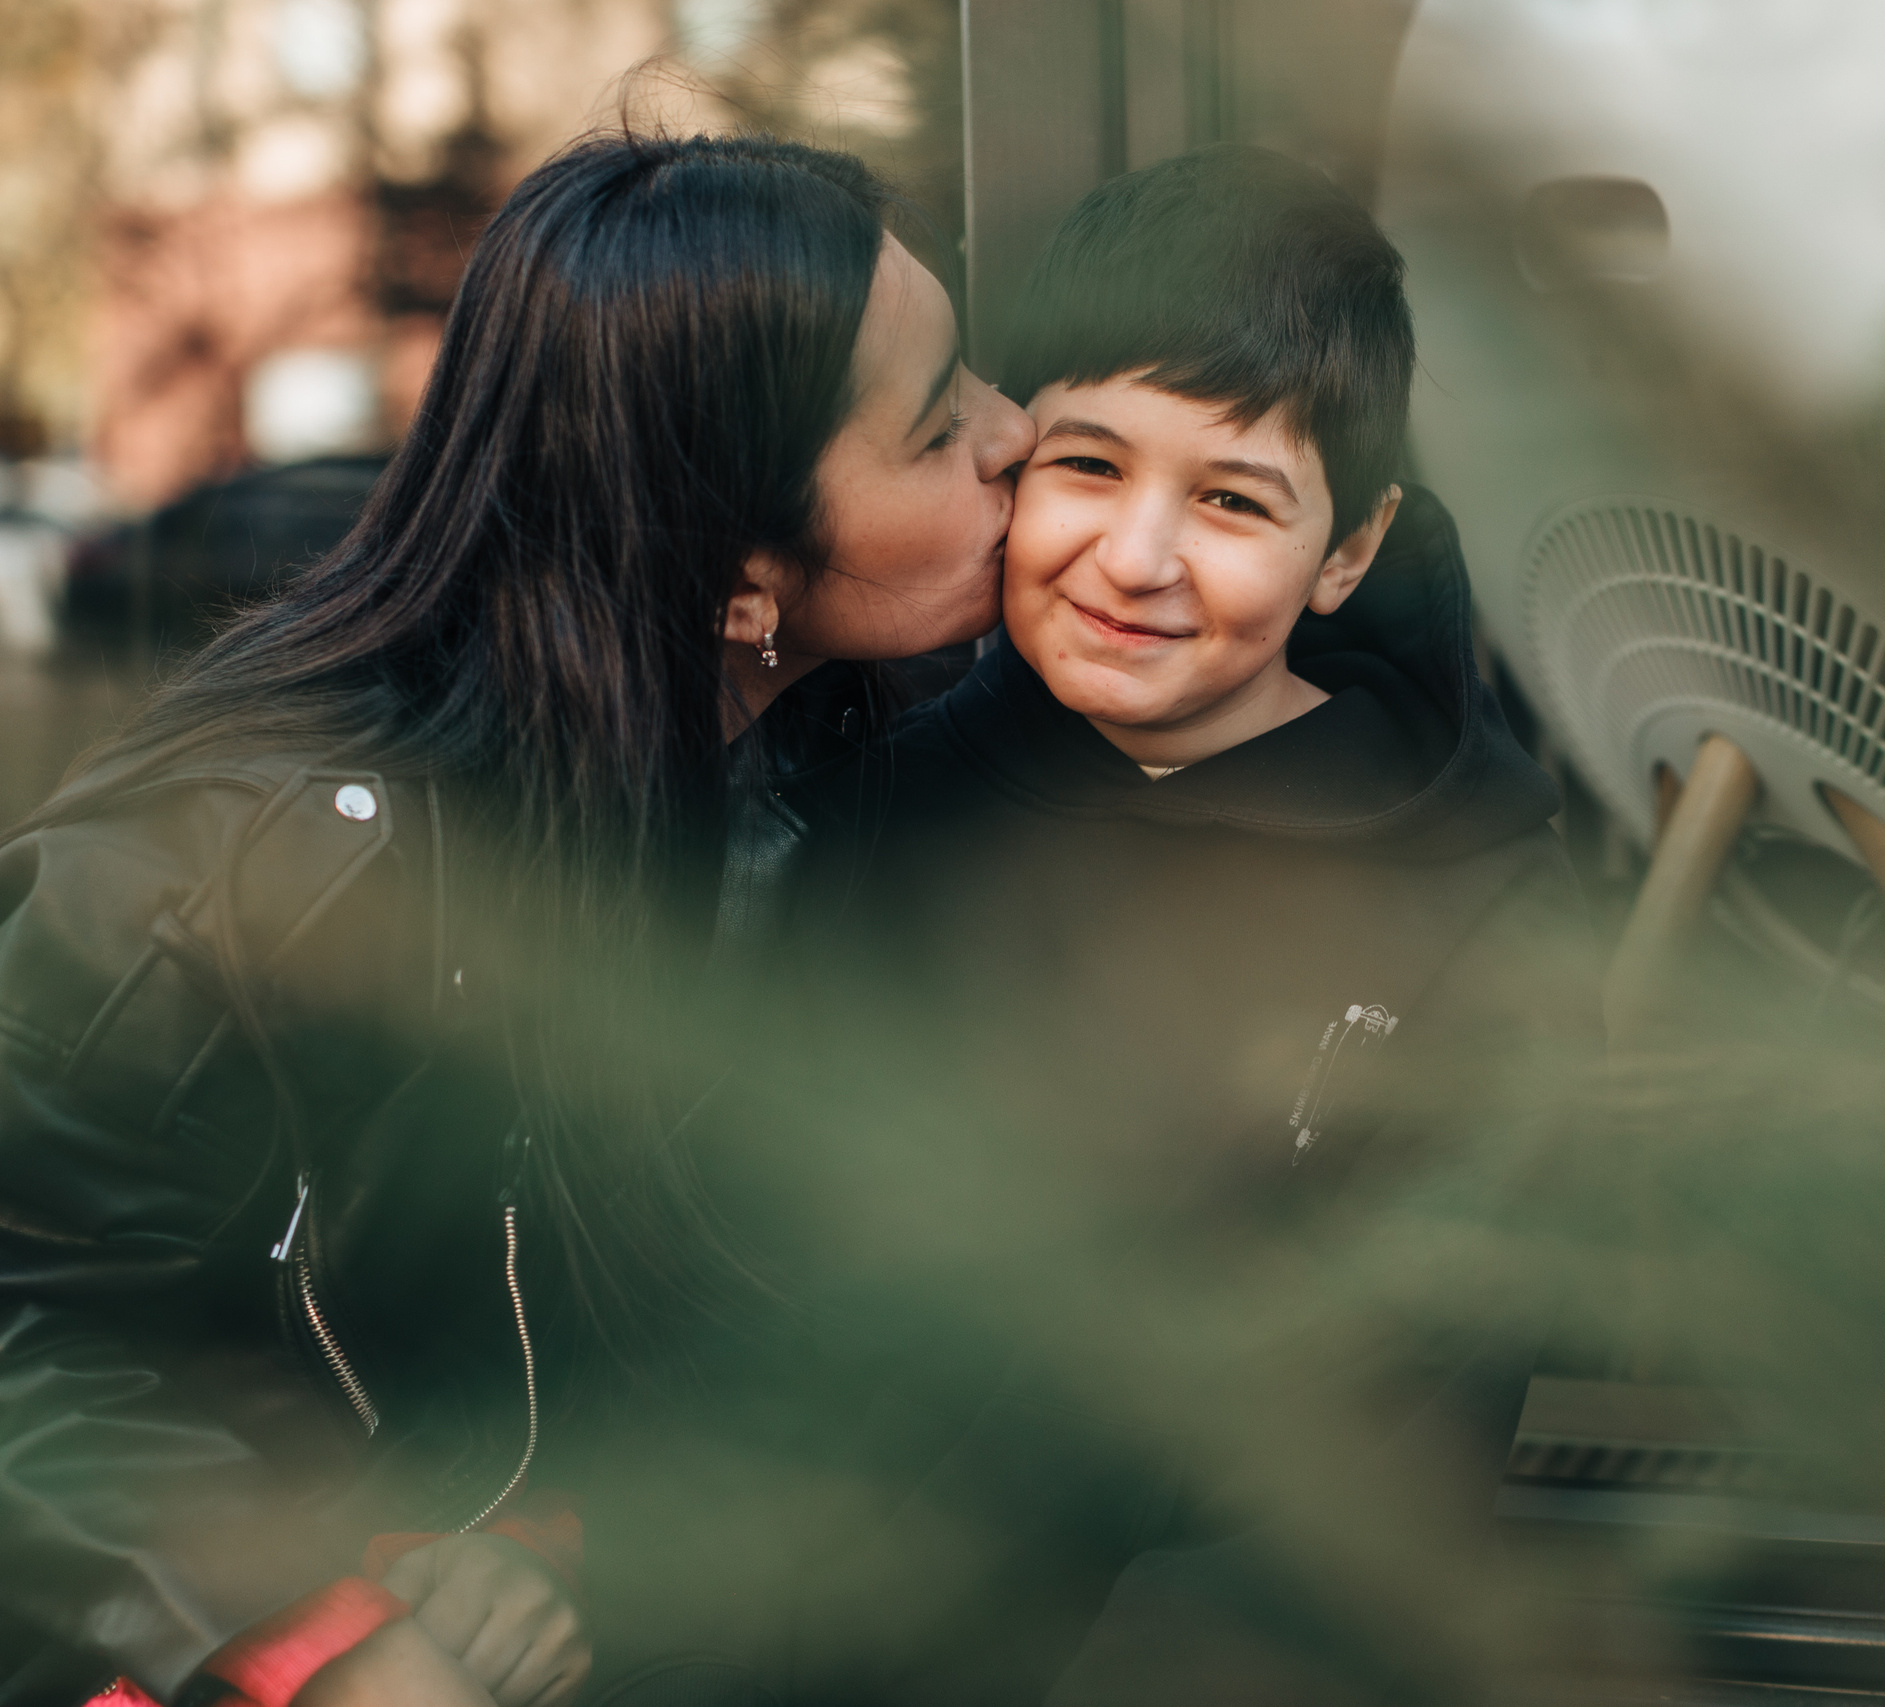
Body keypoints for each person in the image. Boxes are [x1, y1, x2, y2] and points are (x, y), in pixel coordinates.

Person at [0, 130, 1032, 1707]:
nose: (1021, 437)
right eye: (943, 423)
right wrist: (308, 1636)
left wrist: (546, 1537)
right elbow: (33, 1333)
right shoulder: (246, 861)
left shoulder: (838, 753)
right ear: (743, 573)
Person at [795, 143, 1600, 1704]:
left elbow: (1417, 1428)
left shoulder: (1473, 888)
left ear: (1349, 552)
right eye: (1088, 468)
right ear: (1007, 457)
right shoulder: (864, 805)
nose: (1140, 560)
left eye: (1234, 500)